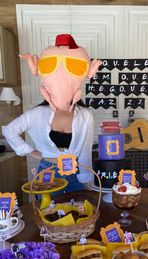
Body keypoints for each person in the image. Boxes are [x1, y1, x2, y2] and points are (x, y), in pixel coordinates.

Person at [2, 34, 102, 192]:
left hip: (74, 172)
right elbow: (9, 130)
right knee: (47, 213)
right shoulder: (36, 114)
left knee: (77, 213)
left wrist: (85, 178)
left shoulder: (85, 115)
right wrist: (32, 152)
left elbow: (85, 149)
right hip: (47, 173)